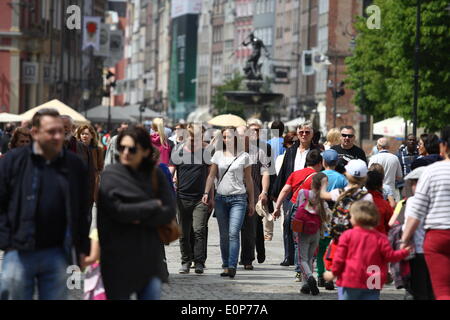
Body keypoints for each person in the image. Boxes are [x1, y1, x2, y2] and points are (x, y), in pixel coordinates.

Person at [0, 109, 91, 300]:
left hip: (58, 251)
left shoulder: (74, 165)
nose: (58, 136)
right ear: (35, 132)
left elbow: (83, 210)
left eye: (61, 131)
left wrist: (83, 248)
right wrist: (5, 239)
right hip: (19, 250)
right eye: (51, 131)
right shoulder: (13, 161)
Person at [97, 126, 176, 300]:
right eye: (121, 148)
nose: (125, 152)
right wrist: (150, 206)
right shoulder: (110, 175)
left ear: (146, 151)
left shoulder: (157, 175)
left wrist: (128, 213)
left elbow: (169, 212)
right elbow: (111, 213)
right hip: (117, 258)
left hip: (149, 257)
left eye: (131, 148)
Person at [323, 201, 412, 300]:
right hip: (373, 280)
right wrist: (404, 252)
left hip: (350, 278)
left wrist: (333, 273)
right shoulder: (381, 238)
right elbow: (390, 256)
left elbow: (339, 258)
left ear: (355, 218)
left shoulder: (347, 236)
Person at [400, 126, 450, 300]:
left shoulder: (431, 171)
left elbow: (417, 209)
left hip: (438, 235)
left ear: (443, 145)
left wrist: (404, 239)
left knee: (442, 290)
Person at [202, 127, 254, 278]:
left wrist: (251, 201)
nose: (226, 140)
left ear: (236, 138)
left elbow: (249, 179)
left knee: (233, 233)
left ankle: (232, 265)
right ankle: (225, 265)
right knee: (224, 235)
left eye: (229, 137)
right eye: (224, 137)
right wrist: (206, 193)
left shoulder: (244, 156)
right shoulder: (218, 155)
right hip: (221, 198)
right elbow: (211, 176)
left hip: (239, 198)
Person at [271, 121, 320, 267]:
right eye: (301, 132)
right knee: (287, 223)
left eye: (307, 132)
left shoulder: (316, 152)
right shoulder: (291, 150)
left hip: (308, 193)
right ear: (297, 134)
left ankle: (305, 256)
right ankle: (289, 256)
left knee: (303, 224)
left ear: (312, 134)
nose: (304, 135)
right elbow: (284, 172)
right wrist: (276, 193)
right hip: (291, 192)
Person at [272, 149, 323, 281]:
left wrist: (277, 207)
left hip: (296, 210)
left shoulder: (296, 174)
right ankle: (308, 268)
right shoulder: (319, 177)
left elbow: (285, 190)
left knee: (298, 242)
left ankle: (299, 271)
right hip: (312, 212)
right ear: (320, 163)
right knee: (312, 242)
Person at [169, 124, 212, 275]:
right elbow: (170, 172)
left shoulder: (205, 153)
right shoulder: (178, 152)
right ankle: (186, 261)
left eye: (197, 140)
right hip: (182, 197)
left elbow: (210, 176)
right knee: (183, 232)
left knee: (199, 230)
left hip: (200, 198)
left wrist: (209, 194)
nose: (194, 143)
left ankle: (199, 262)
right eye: (192, 139)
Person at [240, 119, 273, 269]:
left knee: (250, 229)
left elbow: (266, 173)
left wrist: (264, 192)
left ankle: (247, 259)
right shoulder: (230, 151)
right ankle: (230, 259)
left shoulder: (260, 151)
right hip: (233, 194)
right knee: (232, 229)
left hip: (253, 195)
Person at [295, 173, 330, 296]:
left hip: (303, 231)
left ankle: (309, 278)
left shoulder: (303, 193)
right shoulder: (323, 200)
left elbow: (299, 211)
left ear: (312, 183)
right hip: (315, 231)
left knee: (302, 259)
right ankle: (305, 285)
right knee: (310, 258)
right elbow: (327, 218)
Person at [316, 149, 347, 289]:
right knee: (333, 246)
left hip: (321, 214)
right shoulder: (342, 178)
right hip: (336, 215)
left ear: (323, 162)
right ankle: (330, 275)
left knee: (321, 247)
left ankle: (320, 275)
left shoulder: (318, 176)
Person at [75, 125, 105, 205]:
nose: (84, 136)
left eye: (87, 134)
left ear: (92, 135)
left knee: (89, 210)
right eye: (82, 134)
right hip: (77, 182)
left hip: (92, 183)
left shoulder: (98, 149)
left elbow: (100, 167)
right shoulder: (75, 148)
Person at [368, 137, 403, 202]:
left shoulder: (373, 158)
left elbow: (369, 175)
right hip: (391, 194)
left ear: (378, 147)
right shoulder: (395, 158)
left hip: (377, 193)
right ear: (388, 147)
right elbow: (399, 177)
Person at [365, 170, 393, 235]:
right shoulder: (384, 204)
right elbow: (390, 225)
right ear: (381, 185)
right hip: (381, 239)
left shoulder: (358, 201)